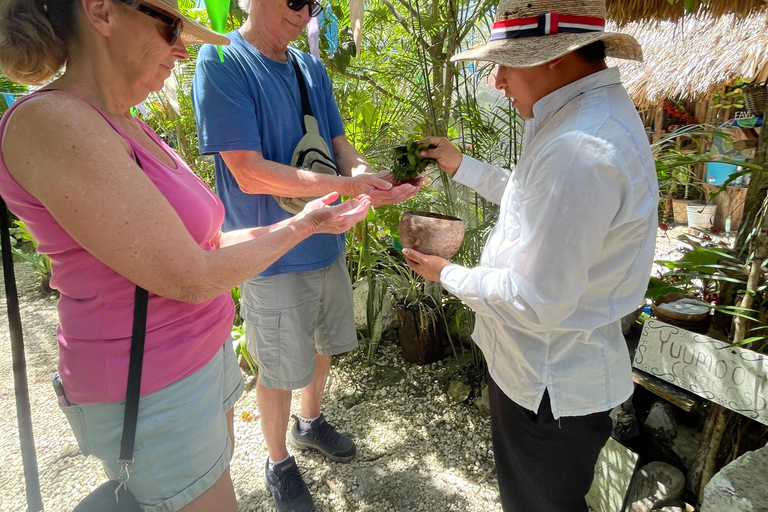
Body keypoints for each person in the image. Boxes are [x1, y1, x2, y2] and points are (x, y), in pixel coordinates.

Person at [0, 0, 370, 510]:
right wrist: (303, 224)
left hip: (199, 358)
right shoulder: (53, 119)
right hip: (155, 385)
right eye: (171, 25)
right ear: (101, 11)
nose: (180, 49)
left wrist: (306, 224)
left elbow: (206, 246)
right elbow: (191, 276)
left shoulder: (122, 121)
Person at [403, 1, 658, 511]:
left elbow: (537, 302)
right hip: (549, 378)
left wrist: (446, 272)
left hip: (548, 387)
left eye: (504, 64)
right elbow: (534, 200)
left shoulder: (579, 149)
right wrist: (461, 165)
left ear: (551, 58)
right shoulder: (581, 119)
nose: (497, 80)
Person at [191, 0, 422, 510]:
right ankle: (277, 462)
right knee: (276, 366)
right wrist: (347, 183)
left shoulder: (309, 66)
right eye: (293, 0)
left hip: (326, 237)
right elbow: (249, 171)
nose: (303, 12)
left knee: (325, 343)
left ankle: (310, 423)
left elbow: (340, 144)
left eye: (313, 3)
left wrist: (374, 180)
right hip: (268, 249)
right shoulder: (222, 60)